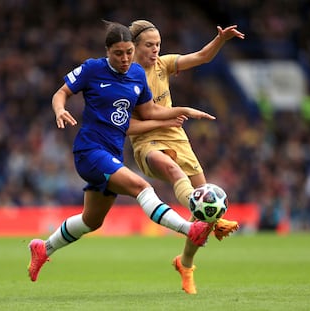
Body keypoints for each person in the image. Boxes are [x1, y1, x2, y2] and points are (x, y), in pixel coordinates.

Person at [27, 21, 218, 282]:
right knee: (142, 187)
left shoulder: (137, 75)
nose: (125, 58)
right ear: (107, 51)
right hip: (90, 151)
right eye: (119, 53)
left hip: (112, 154)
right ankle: (189, 229)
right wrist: (60, 109)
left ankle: (43, 248)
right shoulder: (93, 69)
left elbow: (150, 112)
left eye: (128, 52)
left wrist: (182, 110)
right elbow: (62, 92)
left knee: (91, 221)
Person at [128, 20, 245, 294]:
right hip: (147, 141)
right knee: (173, 172)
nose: (155, 49)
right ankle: (213, 220)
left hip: (176, 137)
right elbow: (127, 126)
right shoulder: (125, 75)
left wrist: (221, 40)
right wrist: (165, 121)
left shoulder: (163, 64)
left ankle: (186, 263)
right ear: (133, 46)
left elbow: (202, 57)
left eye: (158, 44)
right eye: (149, 45)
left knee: (203, 206)